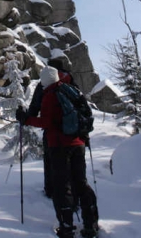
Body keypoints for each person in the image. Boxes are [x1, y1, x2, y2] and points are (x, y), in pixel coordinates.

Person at [17, 66, 99, 238]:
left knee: (62, 187)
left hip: (59, 146)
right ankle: (90, 224)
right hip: (78, 144)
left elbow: (46, 122)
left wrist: (26, 120)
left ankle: (67, 227)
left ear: (46, 80)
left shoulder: (50, 95)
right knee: (81, 183)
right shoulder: (70, 90)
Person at [27, 58, 77, 199]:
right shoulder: (70, 81)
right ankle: (75, 192)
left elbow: (35, 105)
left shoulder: (47, 81)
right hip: (74, 133)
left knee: (51, 162)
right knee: (73, 164)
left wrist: (28, 118)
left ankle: (51, 191)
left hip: (53, 133)